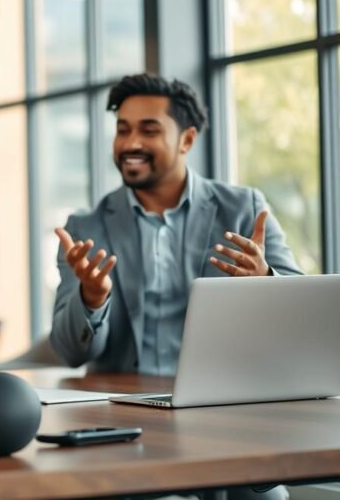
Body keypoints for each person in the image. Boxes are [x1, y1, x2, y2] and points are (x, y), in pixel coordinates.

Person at [51, 74, 301, 499]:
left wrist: (265, 280)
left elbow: (301, 316)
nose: (130, 142)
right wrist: (92, 299)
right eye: (123, 129)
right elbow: (70, 351)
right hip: (125, 425)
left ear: (187, 139)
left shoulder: (245, 209)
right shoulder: (86, 229)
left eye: (149, 130)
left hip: (227, 418)